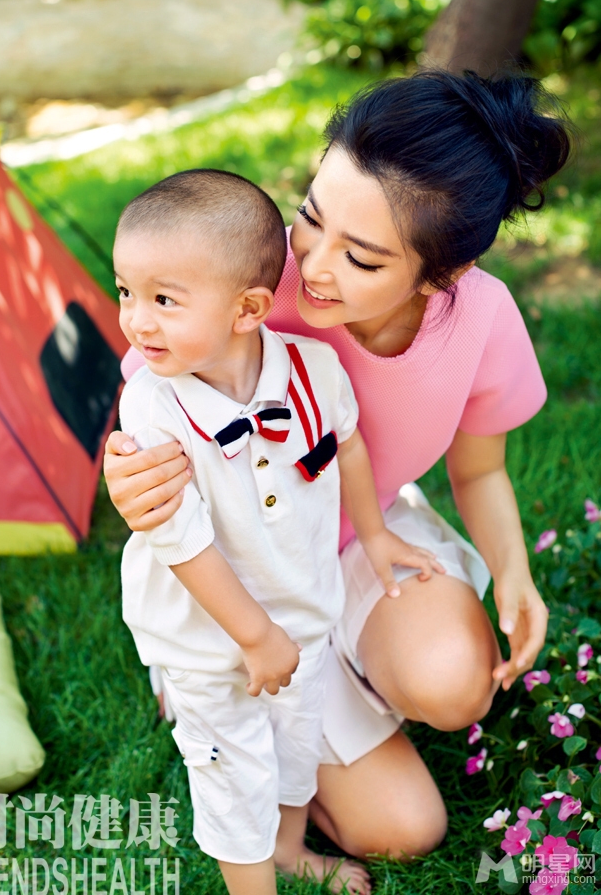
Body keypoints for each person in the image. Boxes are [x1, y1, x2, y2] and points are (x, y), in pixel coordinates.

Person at [105, 71, 571, 860]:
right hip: (243, 556)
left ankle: (338, 678)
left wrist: (514, 572)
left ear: (442, 275)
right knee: (405, 828)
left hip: (361, 528)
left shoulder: (481, 319)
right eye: (309, 221)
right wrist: (128, 474)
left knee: (454, 685)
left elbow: (481, 472)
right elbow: (153, 404)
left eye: (361, 258)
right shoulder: (254, 283)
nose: (314, 268)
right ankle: (216, 687)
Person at [113, 169, 442, 895]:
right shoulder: (152, 407)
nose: (137, 321)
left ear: (249, 308)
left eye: (163, 300)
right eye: (125, 293)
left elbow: (346, 445)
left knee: (294, 750)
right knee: (235, 767)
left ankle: (291, 849)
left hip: (305, 612)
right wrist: (254, 637)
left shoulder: (314, 371)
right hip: (207, 638)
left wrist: (374, 534)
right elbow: (179, 539)